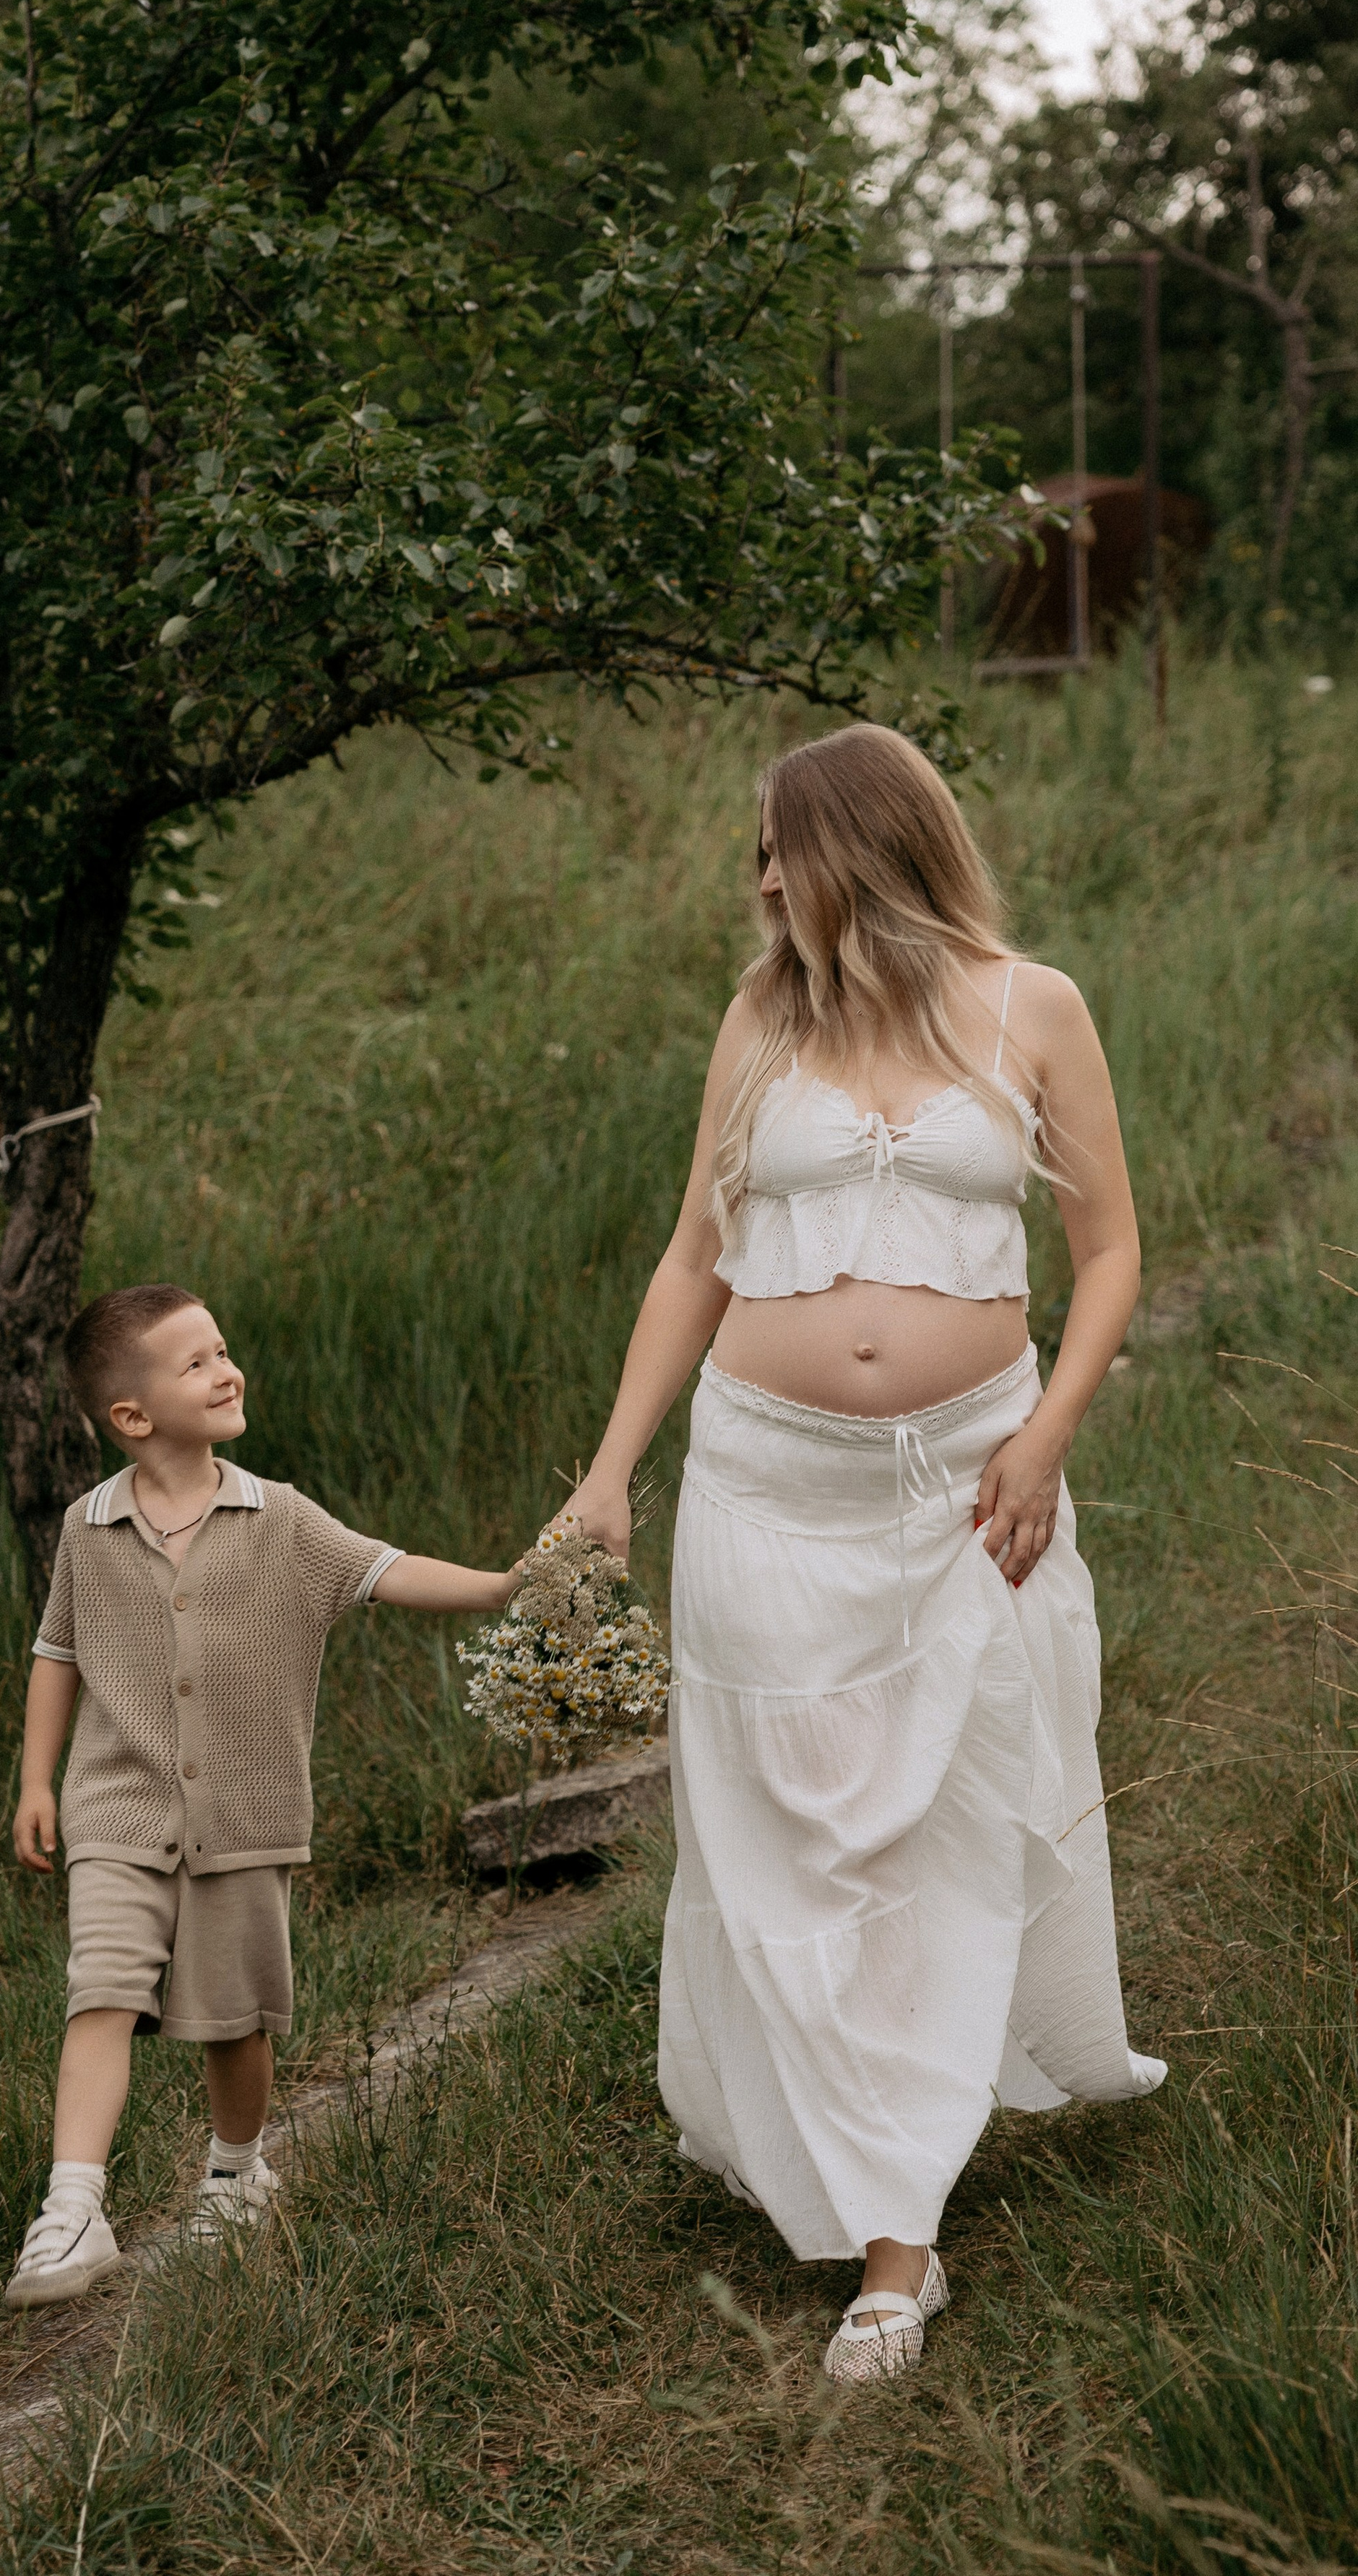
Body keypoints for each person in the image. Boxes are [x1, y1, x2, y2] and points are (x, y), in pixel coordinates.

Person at [563, 721, 1165, 2384]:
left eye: (778, 845)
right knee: (789, 1847)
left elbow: (1108, 1250)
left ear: (863, 846)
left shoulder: (1025, 1005)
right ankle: (861, 2195)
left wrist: (1042, 1440)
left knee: (943, 1827)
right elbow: (696, 1255)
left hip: (965, 1490)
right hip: (765, 1490)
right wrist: (610, 1471)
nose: (757, 878)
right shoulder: (761, 1017)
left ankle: (900, 2225)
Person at [4, 1281, 522, 2307]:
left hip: (243, 1816)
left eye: (223, 1350)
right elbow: (56, 1651)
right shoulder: (88, 1528)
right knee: (100, 1992)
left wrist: (507, 1586)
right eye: (194, 1362)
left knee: (234, 2021)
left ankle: (238, 2173)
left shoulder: (277, 1517)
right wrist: (36, 1781)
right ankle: (72, 2209)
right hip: (116, 1809)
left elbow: (387, 1570)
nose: (225, 1369)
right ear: (133, 1417)